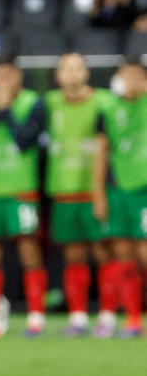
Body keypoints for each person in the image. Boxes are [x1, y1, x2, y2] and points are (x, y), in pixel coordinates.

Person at [0, 56, 49, 338]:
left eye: (8, 74)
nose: (3, 80)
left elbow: (24, 140)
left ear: (19, 75)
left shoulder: (34, 103)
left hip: (21, 188)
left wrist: (6, 110)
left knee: (29, 250)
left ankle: (36, 317)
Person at [46, 53, 114, 337]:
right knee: (73, 257)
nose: (72, 74)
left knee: (104, 253)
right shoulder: (49, 103)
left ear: (86, 73)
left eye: (77, 68)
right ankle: (78, 316)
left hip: (96, 190)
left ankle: (108, 316)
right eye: (66, 69)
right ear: (58, 75)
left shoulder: (105, 102)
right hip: (64, 190)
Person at [93, 61, 147, 338]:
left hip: (144, 189)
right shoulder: (108, 109)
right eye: (126, 75)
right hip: (118, 189)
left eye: (137, 76)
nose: (131, 81)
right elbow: (101, 153)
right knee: (123, 254)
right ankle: (133, 319)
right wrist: (98, 193)